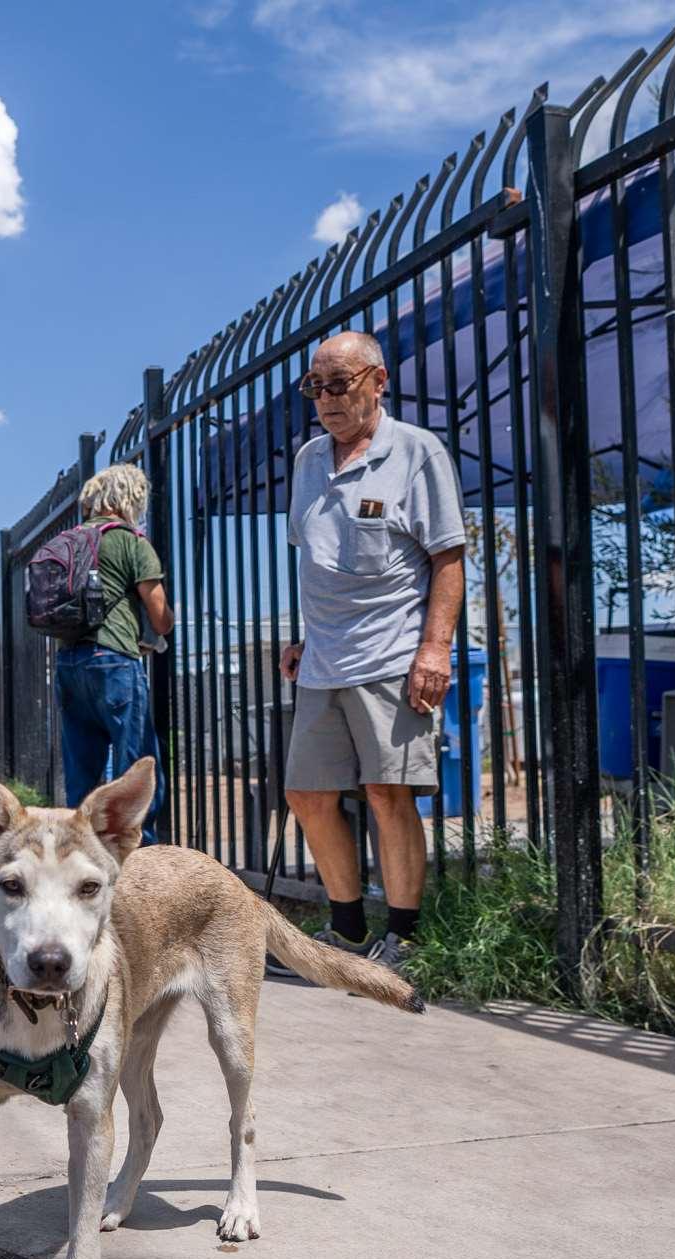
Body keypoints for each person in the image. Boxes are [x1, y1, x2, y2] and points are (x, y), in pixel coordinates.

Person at [278, 331, 466, 973]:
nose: (325, 399)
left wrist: (434, 650)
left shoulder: (416, 452)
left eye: (339, 384)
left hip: (392, 656)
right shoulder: (307, 460)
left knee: (389, 792)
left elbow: (447, 557)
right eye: (315, 387)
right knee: (306, 793)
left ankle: (406, 938)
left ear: (378, 382)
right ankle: (350, 933)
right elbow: (318, 559)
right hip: (323, 662)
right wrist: (303, 637)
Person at [56, 463, 172, 847]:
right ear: (131, 498)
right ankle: (142, 856)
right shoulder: (130, 541)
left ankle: (80, 853)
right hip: (114, 660)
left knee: (82, 771)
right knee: (137, 767)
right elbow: (160, 617)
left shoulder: (70, 540)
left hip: (68, 662)